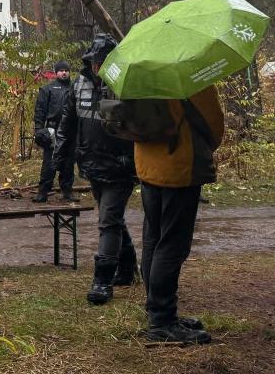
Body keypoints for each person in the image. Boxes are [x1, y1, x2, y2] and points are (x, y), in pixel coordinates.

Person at [135, 86, 224, 344]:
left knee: (154, 237)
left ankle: (157, 311)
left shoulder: (142, 73)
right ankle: (162, 321)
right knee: (173, 243)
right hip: (179, 166)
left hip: (147, 164)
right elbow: (213, 123)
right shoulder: (190, 78)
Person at [53, 34, 138, 305]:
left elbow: (142, 126)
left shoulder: (128, 85)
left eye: (102, 62)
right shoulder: (78, 85)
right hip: (91, 164)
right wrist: (60, 157)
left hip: (120, 167)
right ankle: (127, 270)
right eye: (94, 62)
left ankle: (102, 282)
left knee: (108, 221)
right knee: (112, 219)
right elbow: (67, 123)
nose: (97, 67)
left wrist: (134, 160)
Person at [32, 61, 78, 202]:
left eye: (66, 70)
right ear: (56, 72)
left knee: (68, 162)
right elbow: (40, 110)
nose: (64, 73)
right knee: (49, 162)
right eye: (61, 70)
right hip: (52, 129)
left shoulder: (75, 88)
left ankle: (67, 191)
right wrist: (39, 130)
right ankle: (43, 192)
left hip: (70, 130)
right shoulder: (48, 89)